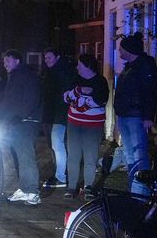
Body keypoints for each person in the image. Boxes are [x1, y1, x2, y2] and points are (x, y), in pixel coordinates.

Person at [0, 49, 43, 206]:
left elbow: (32, 98)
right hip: (17, 122)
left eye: (8, 61)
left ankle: (33, 192)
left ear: (17, 60)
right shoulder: (14, 76)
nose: (5, 64)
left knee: (26, 156)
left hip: (27, 121)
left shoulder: (26, 75)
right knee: (19, 156)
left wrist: (20, 116)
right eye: (4, 62)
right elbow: (9, 100)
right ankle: (24, 188)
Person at [113, 32, 156, 195]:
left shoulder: (144, 66)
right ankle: (134, 190)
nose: (119, 51)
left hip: (136, 116)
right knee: (130, 155)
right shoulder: (130, 66)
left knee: (139, 155)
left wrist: (148, 117)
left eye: (121, 48)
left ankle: (141, 193)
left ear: (129, 50)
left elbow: (150, 92)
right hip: (126, 115)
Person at [63, 54, 109, 199]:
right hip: (74, 123)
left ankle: (88, 187)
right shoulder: (74, 79)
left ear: (87, 65)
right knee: (73, 155)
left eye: (79, 64)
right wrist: (79, 91)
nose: (77, 67)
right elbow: (66, 97)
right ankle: (71, 187)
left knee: (90, 156)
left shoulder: (100, 81)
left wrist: (87, 97)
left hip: (93, 125)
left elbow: (102, 101)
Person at [40, 49, 76, 189]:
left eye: (49, 57)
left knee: (57, 143)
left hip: (59, 114)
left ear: (57, 57)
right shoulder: (51, 72)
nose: (46, 60)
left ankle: (61, 176)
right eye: (45, 58)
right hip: (51, 114)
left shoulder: (62, 72)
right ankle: (59, 172)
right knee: (54, 144)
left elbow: (61, 94)